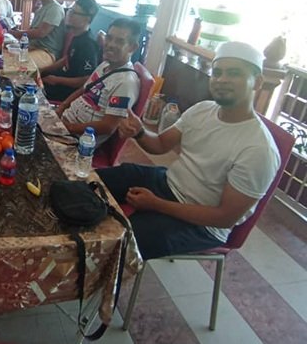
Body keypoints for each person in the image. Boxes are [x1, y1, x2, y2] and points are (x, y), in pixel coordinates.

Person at [97, 41, 281, 261]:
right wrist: (139, 132)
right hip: (168, 183)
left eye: (234, 73)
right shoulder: (203, 110)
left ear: (257, 82)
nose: (222, 80)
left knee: (118, 243)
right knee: (93, 183)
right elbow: (160, 145)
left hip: (201, 226)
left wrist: (156, 204)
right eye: (217, 73)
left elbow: (224, 218)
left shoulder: (258, 149)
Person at [57, 18, 141, 143]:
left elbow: (108, 127)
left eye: (119, 41)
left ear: (132, 48)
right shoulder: (105, 65)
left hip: (77, 139)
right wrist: (62, 107)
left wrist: (68, 128)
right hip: (65, 121)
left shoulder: (126, 83)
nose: (111, 44)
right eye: (109, 38)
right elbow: (84, 90)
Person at [41, 0, 101, 102]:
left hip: (68, 93)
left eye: (74, 12)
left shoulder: (88, 45)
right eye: (70, 10)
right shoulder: (76, 36)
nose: (69, 14)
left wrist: (56, 80)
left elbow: (86, 79)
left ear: (87, 19)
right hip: (60, 80)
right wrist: (42, 70)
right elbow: (66, 59)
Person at [10, 0, 65, 69]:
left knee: (19, 64)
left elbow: (41, 33)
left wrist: (16, 34)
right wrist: (15, 34)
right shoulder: (40, 10)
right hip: (32, 48)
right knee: (5, 56)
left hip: (47, 53)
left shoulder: (55, 9)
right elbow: (31, 32)